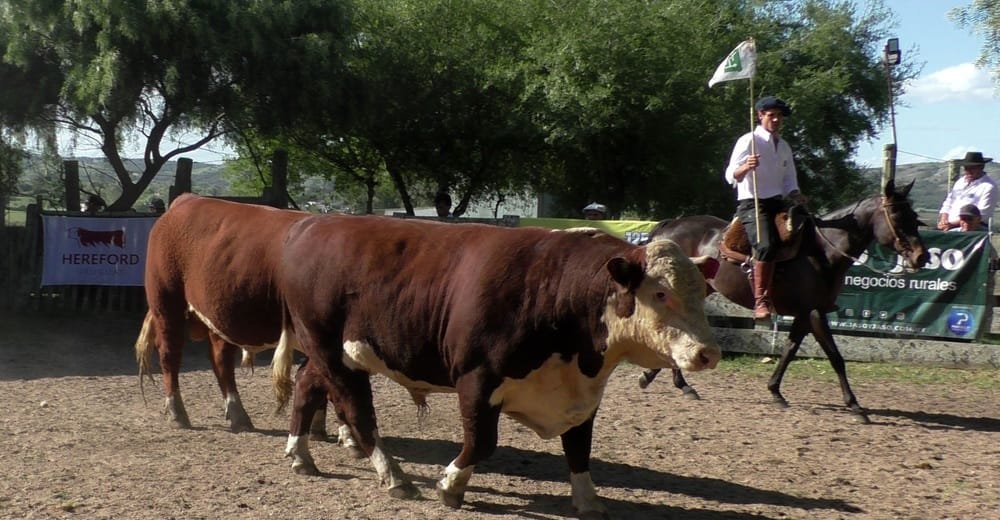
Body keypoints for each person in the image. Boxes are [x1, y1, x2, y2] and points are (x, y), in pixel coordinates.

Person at [724, 95, 807, 320]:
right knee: (765, 244)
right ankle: (761, 301)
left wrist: (796, 194)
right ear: (760, 116)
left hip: (777, 202)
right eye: (771, 115)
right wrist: (745, 167)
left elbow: (789, 178)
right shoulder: (748, 141)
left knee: (805, 233)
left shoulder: (784, 146)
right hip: (753, 203)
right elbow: (730, 175)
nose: (776, 120)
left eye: (779, 116)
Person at [937, 151, 996, 231]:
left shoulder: (989, 186)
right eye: (966, 168)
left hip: (972, 228)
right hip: (950, 226)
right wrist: (944, 219)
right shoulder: (960, 182)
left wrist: (952, 224)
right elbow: (948, 202)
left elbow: (982, 215)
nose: (968, 171)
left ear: (981, 167)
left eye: (972, 168)